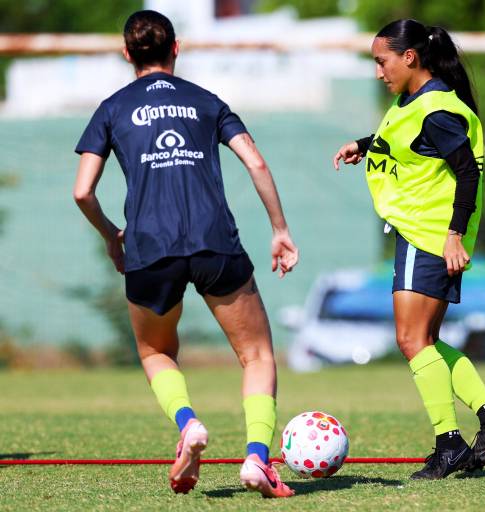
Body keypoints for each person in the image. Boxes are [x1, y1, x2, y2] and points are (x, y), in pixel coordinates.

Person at [73, 10, 296, 498]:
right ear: (177, 49)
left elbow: (83, 192)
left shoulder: (111, 108)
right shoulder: (206, 100)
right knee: (256, 354)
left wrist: (114, 236)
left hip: (149, 248)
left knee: (155, 351)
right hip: (216, 242)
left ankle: (189, 423)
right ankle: (257, 458)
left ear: (128, 54)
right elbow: (255, 161)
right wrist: (279, 228)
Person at [333, 19, 485, 480]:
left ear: (409, 57)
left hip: (429, 235)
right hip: (425, 234)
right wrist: (364, 144)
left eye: (382, 61)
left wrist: (454, 234)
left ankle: (449, 442)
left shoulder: (437, 109)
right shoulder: (414, 102)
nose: (379, 72)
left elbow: (468, 173)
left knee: (411, 340)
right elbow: (409, 144)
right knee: (425, 342)